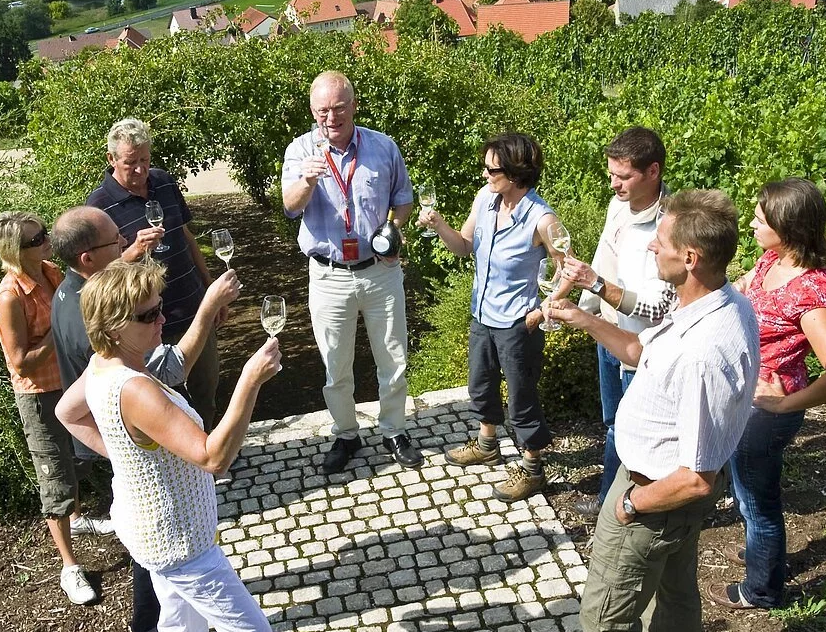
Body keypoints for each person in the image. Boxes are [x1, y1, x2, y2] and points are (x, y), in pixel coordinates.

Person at [544, 190, 758, 632]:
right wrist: (585, 317)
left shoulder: (709, 348)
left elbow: (697, 477)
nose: (650, 247)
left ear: (689, 256)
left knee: (607, 616)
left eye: (659, 242)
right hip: (652, 492)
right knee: (677, 596)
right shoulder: (708, 307)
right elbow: (639, 350)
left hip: (654, 497)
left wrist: (633, 505)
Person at [61, 259, 291, 632]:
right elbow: (212, 458)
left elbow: (69, 415)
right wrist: (249, 382)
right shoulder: (135, 389)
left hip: (142, 528)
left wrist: (127, 460)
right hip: (178, 538)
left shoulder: (102, 369)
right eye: (147, 315)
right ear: (112, 325)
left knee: (178, 615)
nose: (161, 320)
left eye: (160, 309)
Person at [50, 206, 240, 632]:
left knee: (162, 581)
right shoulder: (109, 335)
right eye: (117, 242)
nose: (129, 245)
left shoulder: (77, 295)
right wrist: (212, 315)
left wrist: (126, 453)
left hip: (134, 467)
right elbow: (177, 382)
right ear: (87, 257)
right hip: (164, 515)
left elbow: (67, 408)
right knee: (163, 570)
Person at [716, 179, 826, 610]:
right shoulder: (771, 261)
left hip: (767, 411)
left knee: (758, 500)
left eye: (762, 219)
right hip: (749, 400)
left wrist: (786, 404)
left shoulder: (808, 294)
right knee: (745, 493)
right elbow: (740, 289)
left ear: (790, 227)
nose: (753, 223)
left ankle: (761, 590)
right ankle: (762, 554)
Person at [281, 70, 420, 474]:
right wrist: (307, 181)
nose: (331, 117)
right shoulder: (299, 150)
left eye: (339, 108)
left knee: (393, 356)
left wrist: (394, 230)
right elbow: (290, 206)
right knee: (335, 365)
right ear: (312, 111)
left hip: (379, 270)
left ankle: (394, 430)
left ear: (353, 106)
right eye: (323, 110)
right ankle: (345, 434)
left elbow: (404, 200)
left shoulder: (382, 146)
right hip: (328, 275)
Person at [417, 133, 564, 502]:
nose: (484, 174)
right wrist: (438, 225)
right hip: (482, 316)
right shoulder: (484, 200)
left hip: (518, 324)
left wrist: (543, 309)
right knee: (480, 386)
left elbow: (570, 269)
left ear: (516, 173)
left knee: (521, 398)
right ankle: (487, 444)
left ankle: (532, 469)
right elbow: (464, 247)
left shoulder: (542, 220)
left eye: (491, 169)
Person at [562, 128, 676, 520]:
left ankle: (630, 506)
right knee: (613, 424)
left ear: (653, 172)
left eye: (623, 176)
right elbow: (603, 257)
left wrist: (597, 286)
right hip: (607, 335)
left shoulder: (670, 226)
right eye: (611, 174)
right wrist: (583, 309)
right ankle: (610, 500)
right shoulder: (618, 206)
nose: (614, 184)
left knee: (636, 432)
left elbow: (657, 307)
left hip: (640, 347)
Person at [0, 210, 102, 605]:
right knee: (54, 473)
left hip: (71, 382)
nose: (46, 243)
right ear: (14, 251)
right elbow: (19, 361)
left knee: (81, 456)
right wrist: (60, 329)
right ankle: (70, 567)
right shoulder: (9, 297)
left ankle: (77, 518)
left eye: (43, 236)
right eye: (36, 240)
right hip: (39, 395)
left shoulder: (53, 272)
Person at [86, 118, 221, 426]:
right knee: (164, 399)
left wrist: (209, 288)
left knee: (206, 389)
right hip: (145, 321)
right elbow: (100, 277)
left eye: (144, 160)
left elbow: (185, 236)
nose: (140, 170)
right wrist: (133, 251)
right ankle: (179, 459)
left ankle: (209, 458)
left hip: (192, 309)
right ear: (111, 159)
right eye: (130, 163)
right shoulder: (99, 206)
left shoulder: (164, 182)